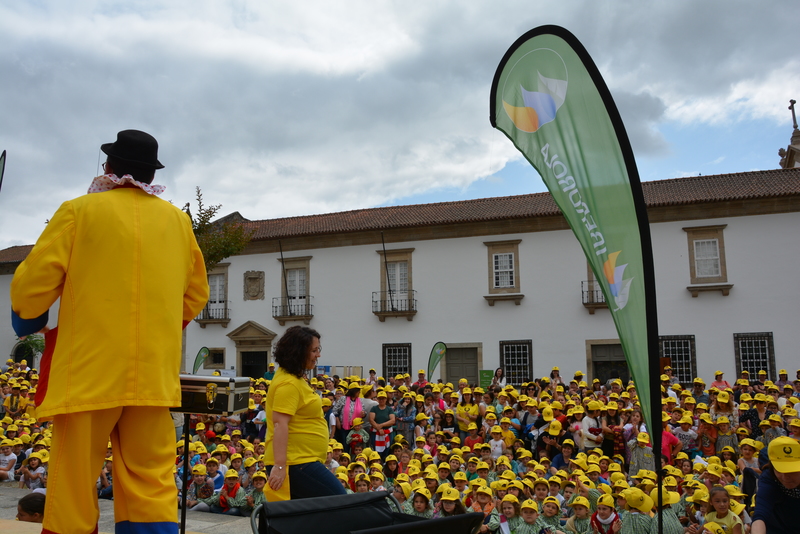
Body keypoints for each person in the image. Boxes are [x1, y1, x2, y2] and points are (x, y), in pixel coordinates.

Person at [9, 129, 209, 534]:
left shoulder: (78, 211)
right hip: (152, 378)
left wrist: (29, 320)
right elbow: (196, 294)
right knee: (150, 483)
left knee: (74, 484)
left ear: (109, 167)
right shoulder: (178, 222)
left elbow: (30, 289)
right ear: (150, 175)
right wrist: (162, 326)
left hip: (87, 375)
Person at [265, 326, 346, 499]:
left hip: (301, 460)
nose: (319, 355)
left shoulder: (294, 378)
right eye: (314, 350)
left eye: (319, 349)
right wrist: (280, 466)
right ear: (299, 352)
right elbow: (280, 424)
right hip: (295, 462)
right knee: (339, 499)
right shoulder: (289, 383)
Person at [751, 436, 800, 534]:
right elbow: (760, 513)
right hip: (778, 527)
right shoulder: (768, 477)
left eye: (791, 470)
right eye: (779, 470)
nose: (785, 476)